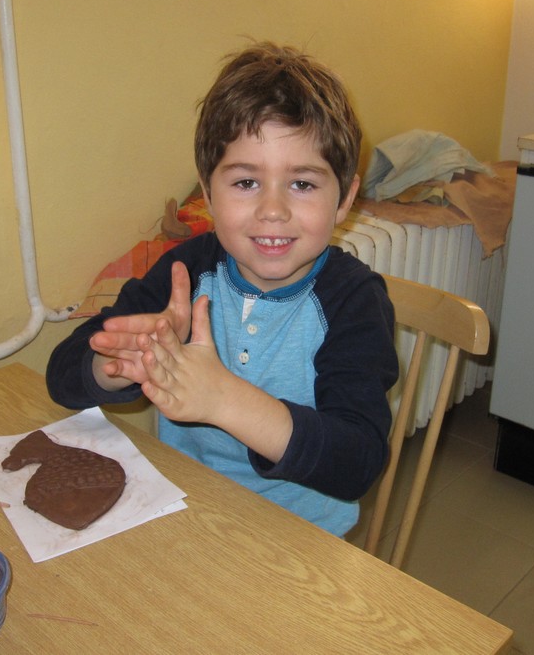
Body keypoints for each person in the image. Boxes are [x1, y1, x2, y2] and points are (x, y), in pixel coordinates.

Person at [46, 42, 399, 536]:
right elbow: (61, 377)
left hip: (299, 540)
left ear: (344, 199)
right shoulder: (184, 274)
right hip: (183, 511)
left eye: (302, 184)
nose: (272, 210)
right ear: (208, 194)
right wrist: (120, 362)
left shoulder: (353, 301)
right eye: (246, 183)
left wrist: (224, 399)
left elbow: (357, 462)